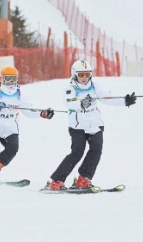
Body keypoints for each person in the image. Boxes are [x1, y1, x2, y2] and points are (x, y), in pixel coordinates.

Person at [44, 60, 137, 191]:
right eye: (81, 75)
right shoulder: (70, 88)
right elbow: (70, 102)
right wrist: (81, 104)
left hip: (95, 124)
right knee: (77, 152)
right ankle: (56, 180)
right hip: (78, 126)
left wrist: (124, 101)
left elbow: (108, 98)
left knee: (96, 150)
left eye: (87, 75)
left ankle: (83, 178)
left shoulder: (95, 86)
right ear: (75, 75)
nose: (84, 78)